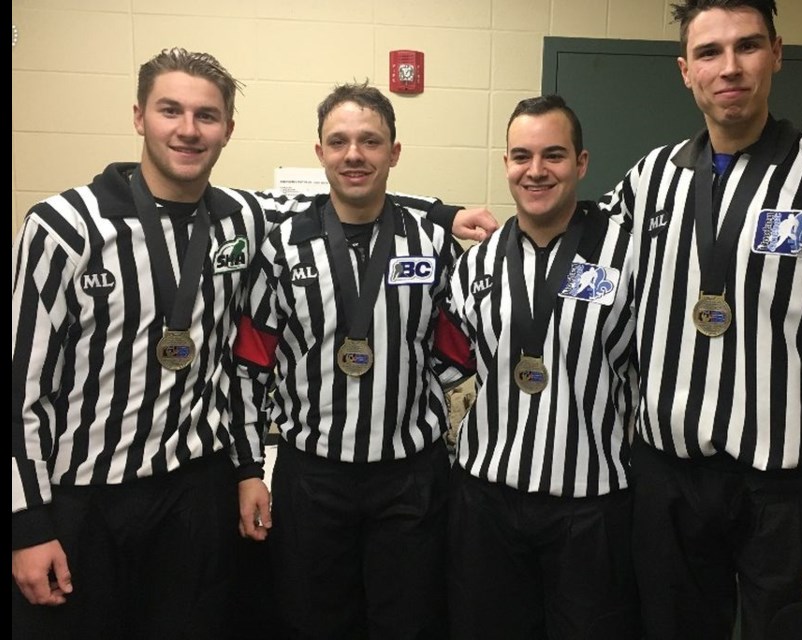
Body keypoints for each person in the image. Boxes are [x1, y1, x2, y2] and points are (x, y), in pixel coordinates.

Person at [11, 48, 495, 640]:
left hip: (196, 486)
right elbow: (21, 388)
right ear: (139, 116)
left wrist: (440, 214)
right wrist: (27, 523)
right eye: (171, 110)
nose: (188, 130)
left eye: (206, 116)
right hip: (85, 496)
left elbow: (344, 202)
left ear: (227, 130)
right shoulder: (64, 228)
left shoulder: (238, 216)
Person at [597, 2, 802, 638]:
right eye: (709, 53)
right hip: (669, 484)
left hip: (793, 493)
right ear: (685, 71)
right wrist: (490, 245)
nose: (730, 68)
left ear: (777, 53)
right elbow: (597, 273)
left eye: (747, 46)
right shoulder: (650, 179)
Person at [228, 81, 466, 640]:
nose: (354, 155)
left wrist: (400, 384)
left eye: (370, 141)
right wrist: (247, 469)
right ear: (320, 153)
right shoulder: (281, 247)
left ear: (394, 152)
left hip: (410, 476)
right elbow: (250, 365)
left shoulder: (433, 243)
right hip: (312, 478)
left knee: (408, 621)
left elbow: (458, 344)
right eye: (338, 142)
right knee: (314, 621)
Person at [437, 95, 640, 639]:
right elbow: (450, 369)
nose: (536, 170)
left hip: (592, 506)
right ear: (505, 164)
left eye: (553, 154)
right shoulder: (474, 265)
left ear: (581, 163)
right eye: (521, 155)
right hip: (486, 503)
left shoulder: (630, 255)